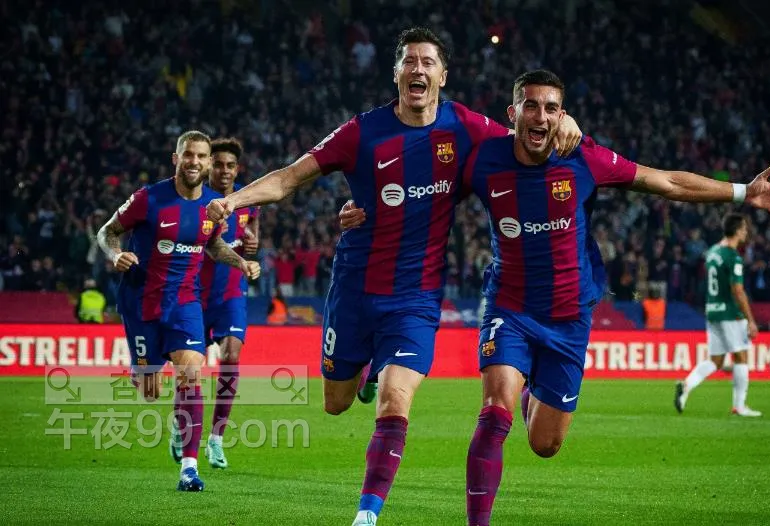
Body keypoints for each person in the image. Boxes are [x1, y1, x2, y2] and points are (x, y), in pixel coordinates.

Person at [206, 27, 582, 526]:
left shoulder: (465, 126)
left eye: (428, 62)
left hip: (416, 297)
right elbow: (289, 178)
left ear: (442, 76)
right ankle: (363, 371)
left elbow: (527, 136)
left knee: (396, 400)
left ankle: (367, 514)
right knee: (336, 403)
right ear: (397, 73)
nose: (418, 69)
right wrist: (233, 200)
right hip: (355, 289)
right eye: (410, 61)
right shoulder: (362, 132)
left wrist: (566, 123)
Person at [455, 70, 770, 525]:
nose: (541, 116)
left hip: (568, 318)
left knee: (545, 444)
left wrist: (741, 192)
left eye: (551, 108)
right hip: (509, 306)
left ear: (562, 114)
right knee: (494, 412)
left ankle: (533, 384)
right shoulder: (484, 159)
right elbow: (429, 186)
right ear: (512, 113)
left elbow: (668, 183)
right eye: (530, 106)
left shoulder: (582, 157)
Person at [96, 130, 261, 492]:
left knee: (191, 375)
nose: (194, 162)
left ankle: (189, 468)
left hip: (186, 301)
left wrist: (240, 262)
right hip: (141, 302)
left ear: (207, 162)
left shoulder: (215, 205)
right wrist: (115, 254)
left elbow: (214, 245)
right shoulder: (149, 198)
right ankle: (144, 370)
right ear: (176, 158)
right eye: (188, 155)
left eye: (201, 156)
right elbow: (107, 232)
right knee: (149, 390)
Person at [176, 137, 258, 470]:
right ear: (209, 166)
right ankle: (182, 428)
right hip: (193, 294)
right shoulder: (195, 200)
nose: (224, 170)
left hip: (231, 293)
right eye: (219, 164)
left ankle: (216, 439)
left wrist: (252, 245)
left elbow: (252, 233)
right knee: (189, 369)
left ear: (237, 169)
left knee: (231, 356)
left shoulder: (247, 201)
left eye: (230, 165)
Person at [675, 214, 763, 417]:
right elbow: (738, 291)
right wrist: (750, 320)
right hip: (730, 313)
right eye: (744, 228)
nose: (746, 232)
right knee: (741, 357)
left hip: (712, 311)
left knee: (716, 360)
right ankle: (739, 406)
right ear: (738, 230)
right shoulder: (733, 257)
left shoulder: (712, 252)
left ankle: (686, 386)